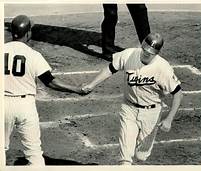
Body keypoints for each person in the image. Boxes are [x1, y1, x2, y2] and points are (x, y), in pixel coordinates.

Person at [82, 33, 183, 165]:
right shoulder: (129, 55)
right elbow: (110, 69)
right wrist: (91, 84)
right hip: (129, 109)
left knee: (141, 156)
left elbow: (178, 93)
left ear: (157, 52)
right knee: (125, 158)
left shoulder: (163, 68)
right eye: (145, 50)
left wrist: (169, 119)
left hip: (151, 113)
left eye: (151, 52)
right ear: (142, 45)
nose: (147, 54)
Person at [4, 15, 83, 166]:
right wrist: (76, 89)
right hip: (24, 106)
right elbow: (50, 82)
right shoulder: (33, 55)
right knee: (34, 155)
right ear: (27, 33)